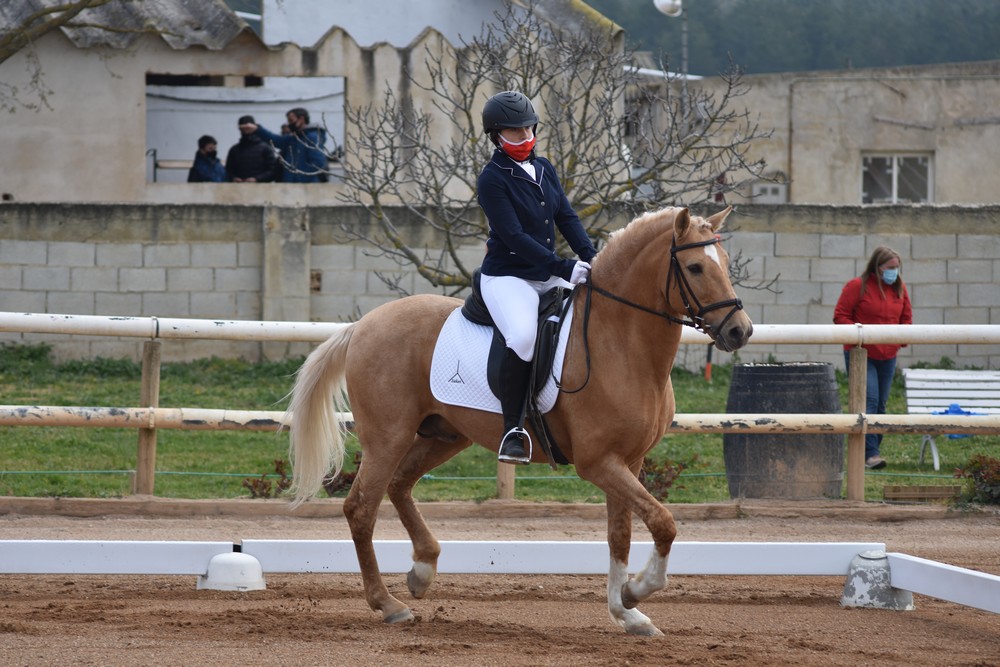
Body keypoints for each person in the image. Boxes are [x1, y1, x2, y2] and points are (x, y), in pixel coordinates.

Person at [476, 91, 597, 465]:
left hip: (546, 272)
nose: (524, 136)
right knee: (524, 337)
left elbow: (566, 217)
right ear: (497, 136)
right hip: (509, 277)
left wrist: (592, 257)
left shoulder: (544, 167)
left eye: (528, 129)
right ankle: (513, 429)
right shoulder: (492, 179)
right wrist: (563, 267)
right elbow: (513, 236)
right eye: (515, 132)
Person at [833, 246, 913, 470]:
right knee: (869, 400)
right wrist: (860, 335)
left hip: (888, 355)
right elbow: (840, 316)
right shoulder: (857, 286)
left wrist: (900, 340)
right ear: (878, 267)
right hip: (861, 354)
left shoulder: (900, 288)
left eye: (897, 267)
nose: (895, 271)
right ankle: (871, 454)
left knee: (881, 404)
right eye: (890, 267)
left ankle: (870, 449)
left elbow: (906, 318)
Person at [247, 108, 328, 183]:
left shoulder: (311, 137)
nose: (289, 124)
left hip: (304, 186)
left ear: (301, 119)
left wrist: (299, 178)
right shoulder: (294, 138)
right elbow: (276, 140)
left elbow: (317, 163)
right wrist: (257, 129)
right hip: (292, 185)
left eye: (291, 120)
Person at [225, 115, 277, 183]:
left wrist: (257, 179)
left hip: (261, 187)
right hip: (238, 187)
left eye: (248, 128)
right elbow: (228, 171)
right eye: (243, 129)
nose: (246, 131)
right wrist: (233, 178)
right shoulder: (234, 150)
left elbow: (273, 171)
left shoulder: (265, 148)